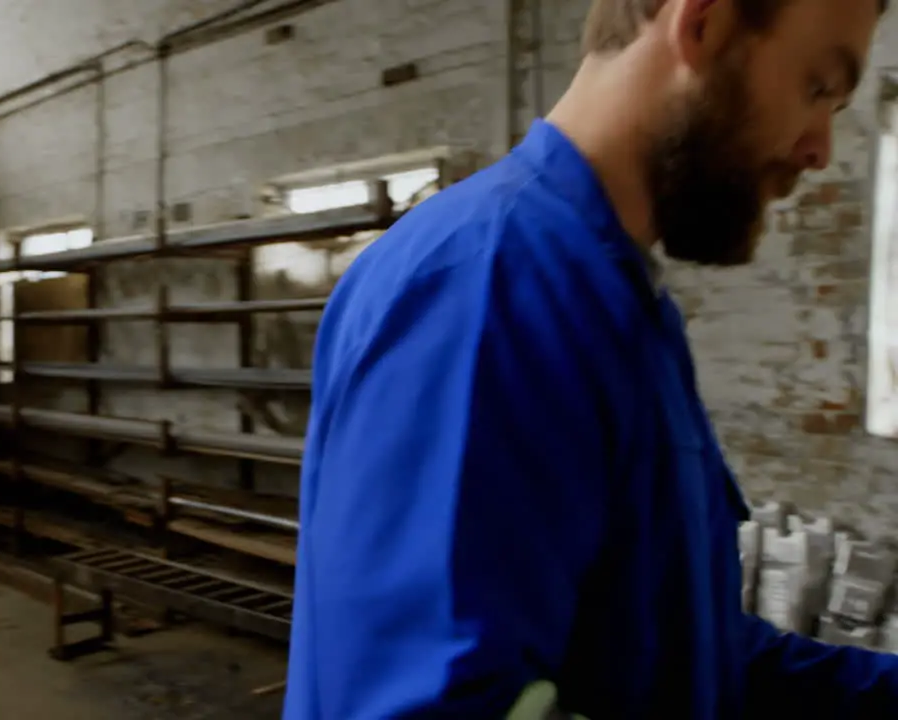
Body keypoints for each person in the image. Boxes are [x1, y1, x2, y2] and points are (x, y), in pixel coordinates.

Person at [283, 1, 898, 718]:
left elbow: (687, 659)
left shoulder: (621, 303)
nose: (820, 147)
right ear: (706, 24)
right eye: (818, 88)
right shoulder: (491, 289)